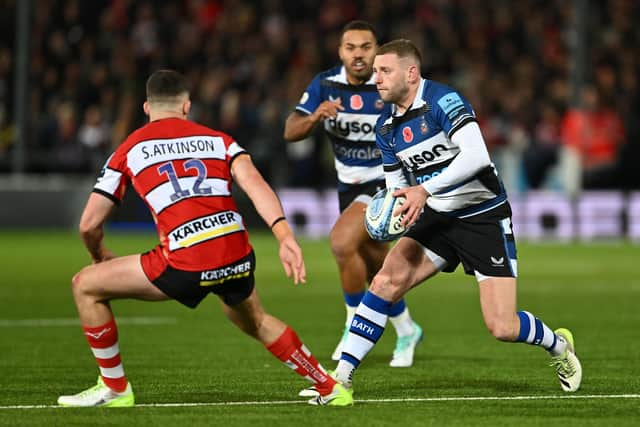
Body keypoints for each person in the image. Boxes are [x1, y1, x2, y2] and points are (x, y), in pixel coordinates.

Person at [57, 70, 353, 407]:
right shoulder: (219, 140)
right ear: (186, 106)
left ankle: (115, 388)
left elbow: (88, 224)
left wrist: (99, 255)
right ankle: (329, 387)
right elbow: (256, 185)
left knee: (85, 284)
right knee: (254, 319)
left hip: (185, 260)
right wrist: (285, 236)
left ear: (146, 107)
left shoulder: (129, 149)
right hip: (236, 253)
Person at [330, 39, 583, 400]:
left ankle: (559, 346)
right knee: (385, 281)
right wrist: (395, 212)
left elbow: (477, 157)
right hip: (436, 217)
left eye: (385, 71)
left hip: (482, 216)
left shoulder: (442, 102)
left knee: (502, 325)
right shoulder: (385, 128)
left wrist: (425, 191)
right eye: (375, 72)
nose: (377, 79)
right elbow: (398, 185)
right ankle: (340, 380)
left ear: (411, 73)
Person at [284, 21, 423, 371]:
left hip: (386, 183)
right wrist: (316, 115)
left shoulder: (388, 85)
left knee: (341, 243)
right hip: (347, 187)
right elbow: (290, 130)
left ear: (377, 50)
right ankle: (407, 329)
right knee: (378, 266)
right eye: (351, 47)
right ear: (340, 51)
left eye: (365, 47)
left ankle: (351, 323)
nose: (358, 54)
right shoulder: (325, 85)